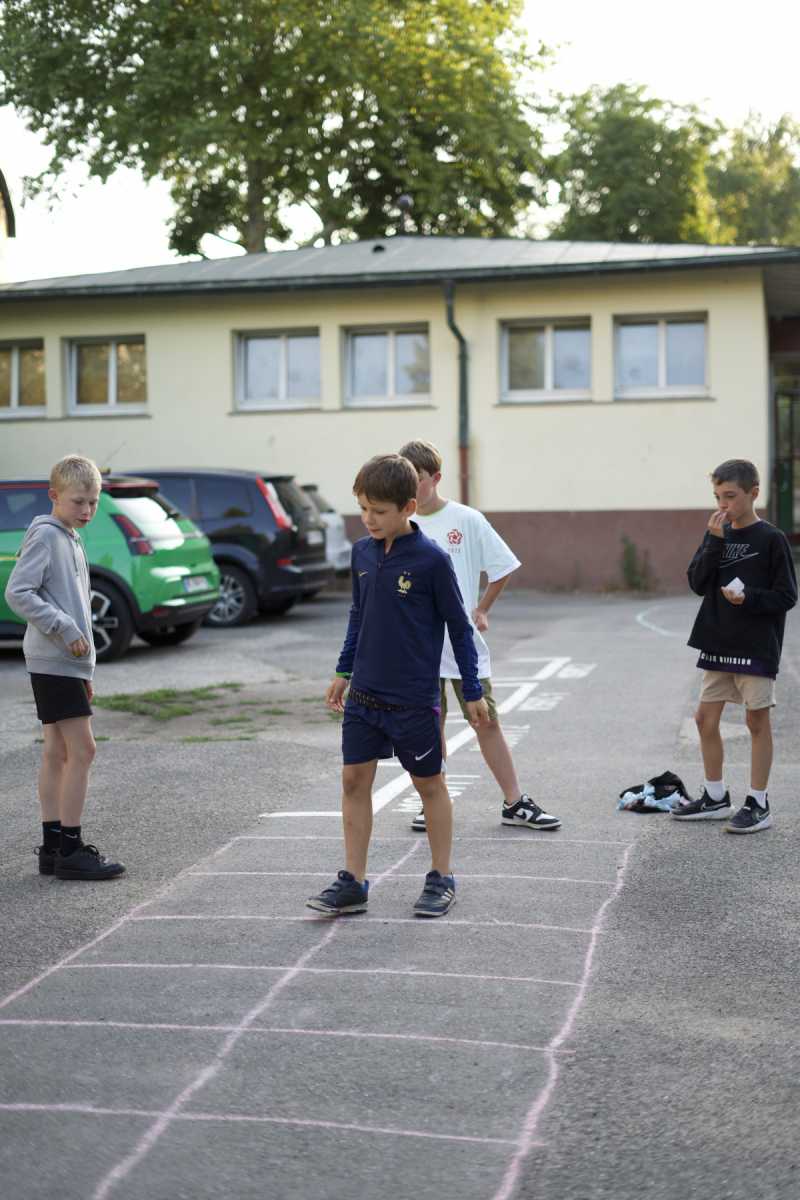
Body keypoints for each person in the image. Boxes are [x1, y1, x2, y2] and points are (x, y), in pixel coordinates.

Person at [307, 453, 489, 918]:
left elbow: (459, 627)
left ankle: (441, 876)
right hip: (365, 694)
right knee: (353, 781)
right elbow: (358, 614)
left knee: (428, 785)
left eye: (379, 511)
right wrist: (344, 670)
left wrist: (472, 689)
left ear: (408, 507)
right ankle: (353, 883)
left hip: (412, 700)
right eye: (362, 508)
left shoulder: (432, 559)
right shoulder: (362, 552)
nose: (368, 519)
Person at [398, 439, 561, 833]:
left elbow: (502, 565)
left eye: (418, 478)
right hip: (417, 650)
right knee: (430, 726)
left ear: (436, 478)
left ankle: (514, 802)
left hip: (461, 646)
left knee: (485, 720)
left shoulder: (466, 519)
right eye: (405, 479)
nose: (411, 487)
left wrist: (482, 608)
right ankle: (431, 801)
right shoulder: (400, 523)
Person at [5, 455, 125, 880]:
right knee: (84, 751)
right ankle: (71, 851)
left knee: (58, 752)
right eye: (78, 502)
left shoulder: (70, 536)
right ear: (54, 496)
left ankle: (52, 847)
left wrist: (85, 670)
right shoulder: (47, 536)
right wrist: (63, 626)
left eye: (93, 502)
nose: (87, 510)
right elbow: (17, 592)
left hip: (63, 664)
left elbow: (73, 604)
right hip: (52, 660)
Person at [674, 458, 797, 833]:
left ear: (753, 493)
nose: (722, 505)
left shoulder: (771, 538)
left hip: (756, 645)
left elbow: (787, 596)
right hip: (717, 641)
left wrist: (750, 598)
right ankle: (715, 797)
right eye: (717, 497)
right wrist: (714, 542)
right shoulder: (716, 533)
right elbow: (697, 583)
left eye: (730, 496)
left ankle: (758, 803)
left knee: (756, 721)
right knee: (704, 720)